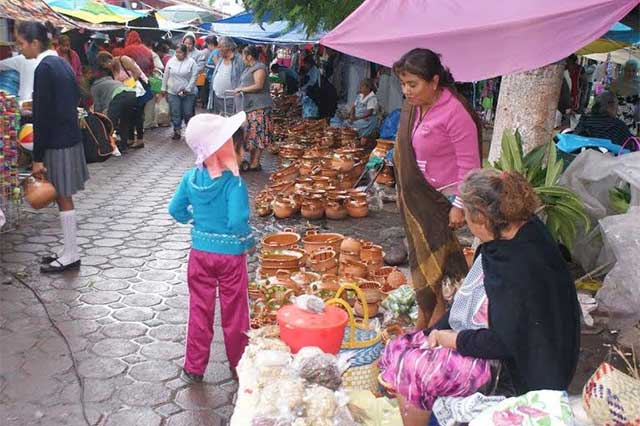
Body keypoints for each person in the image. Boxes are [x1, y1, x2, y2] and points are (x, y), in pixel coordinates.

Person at [379, 169, 581, 426]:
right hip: (522, 344)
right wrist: (433, 332)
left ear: (482, 218)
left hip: (523, 370)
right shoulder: (523, 229)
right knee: (401, 345)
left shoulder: (516, 266)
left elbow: (502, 343)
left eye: (466, 214)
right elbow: (475, 303)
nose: (463, 221)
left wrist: (450, 338)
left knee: (415, 368)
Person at [393, 48, 482, 329]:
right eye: (403, 84)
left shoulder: (455, 112)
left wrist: (459, 205)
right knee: (427, 259)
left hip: (441, 200)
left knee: (431, 262)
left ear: (434, 81)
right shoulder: (415, 107)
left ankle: (429, 319)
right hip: (418, 196)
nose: (407, 91)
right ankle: (436, 314)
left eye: (412, 84)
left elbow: (470, 164)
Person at [168, 111, 255, 384]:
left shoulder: (190, 178)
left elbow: (176, 210)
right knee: (235, 312)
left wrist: (194, 219)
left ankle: (194, 367)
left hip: (200, 255)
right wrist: (248, 241)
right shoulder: (234, 183)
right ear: (226, 150)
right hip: (230, 258)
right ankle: (239, 363)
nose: (243, 152)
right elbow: (238, 220)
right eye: (240, 147)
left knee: (199, 310)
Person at [18, 21, 89, 273]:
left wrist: (37, 158)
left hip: (57, 143)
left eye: (21, 43)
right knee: (62, 196)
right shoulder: (61, 62)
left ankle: (71, 254)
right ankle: (70, 251)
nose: (20, 48)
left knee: (62, 196)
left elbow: (42, 115)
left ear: (35, 43)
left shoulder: (44, 68)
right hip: (68, 138)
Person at [235, 45, 273, 171]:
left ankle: (255, 163)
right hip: (248, 107)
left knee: (258, 135)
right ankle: (252, 161)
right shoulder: (248, 68)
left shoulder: (260, 68)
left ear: (249, 56)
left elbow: (258, 85)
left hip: (259, 107)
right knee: (251, 135)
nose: (242, 58)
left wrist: (242, 89)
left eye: (243, 55)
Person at [91, 52, 137, 153]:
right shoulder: (110, 80)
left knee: (110, 123)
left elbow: (98, 106)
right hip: (131, 94)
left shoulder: (95, 87)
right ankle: (123, 146)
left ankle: (108, 147)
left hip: (119, 97)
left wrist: (98, 117)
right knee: (124, 121)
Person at [162, 44, 198, 140]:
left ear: (185, 53)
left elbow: (194, 77)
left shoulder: (191, 63)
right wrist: (163, 89)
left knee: (188, 112)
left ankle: (189, 130)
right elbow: (166, 75)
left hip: (187, 92)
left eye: (180, 52)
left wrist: (187, 89)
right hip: (173, 91)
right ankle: (177, 130)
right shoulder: (171, 61)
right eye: (176, 52)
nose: (177, 54)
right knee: (175, 111)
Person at [111, 54, 148, 149]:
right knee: (128, 115)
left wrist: (127, 85)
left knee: (138, 116)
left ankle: (140, 140)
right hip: (126, 94)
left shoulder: (123, 59)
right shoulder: (111, 69)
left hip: (137, 91)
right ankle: (130, 139)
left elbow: (137, 73)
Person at [208, 37, 245, 114]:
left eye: (220, 47)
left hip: (231, 98)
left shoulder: (239, 60)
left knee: (230, 122)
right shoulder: (221, 59)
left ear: (228, 47)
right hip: (217, 97)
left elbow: (243, 77)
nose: (218, 49)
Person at [610, 59, 640, 133]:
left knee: (629, 138)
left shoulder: (639, 82)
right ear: (624, 70)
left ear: (637, 71)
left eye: (633, 71)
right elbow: (611, 99)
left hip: (634, 116)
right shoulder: (616, 83)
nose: (630, 73)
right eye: (628, 70)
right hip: (617, 115)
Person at [202, 35, 219, 110]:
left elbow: (217, 66)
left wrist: (207, 66)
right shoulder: (213, 52)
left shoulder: (215, 52)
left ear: (211, 44)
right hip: (210, 77)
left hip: (212, 77)